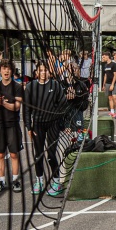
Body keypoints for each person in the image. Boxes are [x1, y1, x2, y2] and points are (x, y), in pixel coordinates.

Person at [22, 61, 67, 197]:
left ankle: (57, 181)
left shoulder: (55, 85)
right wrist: (29, 126)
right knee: (38, 154)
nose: (43, 73)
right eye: (40, 70)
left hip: (53, 124)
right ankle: (39, 181)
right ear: (36, 72)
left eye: (45, 70)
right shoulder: (30, 87)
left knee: (51, 154)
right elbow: (26, 108)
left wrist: (61, 123)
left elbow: (63, 104)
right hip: (38, 124)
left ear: (49, 72)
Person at [0, 61, 23, 192]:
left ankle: (15, 181)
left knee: (14, 154)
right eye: (4, 68)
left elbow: (16, 107)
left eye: (8, 69)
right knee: (0, 155)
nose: (6, 71)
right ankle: (1, 181)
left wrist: (2, 103)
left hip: (13, 125)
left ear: (12, 71)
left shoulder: (17, 87)